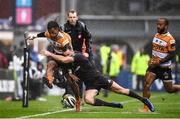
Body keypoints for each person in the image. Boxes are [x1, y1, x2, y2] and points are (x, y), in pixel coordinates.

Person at [40, 49, 155, 112]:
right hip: (90, 84)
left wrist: (50, 54)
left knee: (121, 90)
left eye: (67, 51)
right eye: (64, 52)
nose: (65, 53)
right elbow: (65, 66)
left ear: (71, 51)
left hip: (99, 78)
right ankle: (113, 105)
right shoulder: (69, 64)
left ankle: (144, 100)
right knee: (89, 100)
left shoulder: (78, 56)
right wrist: (70, 74)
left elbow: (64, 60)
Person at [26, 21, 81, 112]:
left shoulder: (64, 40)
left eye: (54, 33)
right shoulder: (49, 34)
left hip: (67, 59)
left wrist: (71, 72)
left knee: (71, 81)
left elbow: (70, 56)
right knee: (50, 64)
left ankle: (78, 100)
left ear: (58, 29)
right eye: (50, 33)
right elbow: (43, 34)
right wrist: (34, 36)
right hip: (56, 57)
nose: (52, 35)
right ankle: (49, 80)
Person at [142, 18, 180, 112]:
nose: (158, 26)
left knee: (170, 89)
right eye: (157, 24)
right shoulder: (156, 35)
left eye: (160, 25)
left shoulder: (170, 40)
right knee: (146, 85)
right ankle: (146, 108)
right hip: (154, 67)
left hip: (164, 68)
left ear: (166, 26)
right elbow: (155, 49)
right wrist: (152, 59)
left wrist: (160, 61)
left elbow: (172, 55)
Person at [63, 9, 93, 99]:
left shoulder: (82, 26)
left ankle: (78, 99)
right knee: (69, 77)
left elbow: (88, 38)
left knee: (79, 77)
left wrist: (87, 52)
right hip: (68, 55)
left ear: (77, 17)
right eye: (70, 17)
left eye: (74, 17)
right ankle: (68, 98)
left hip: (79, 56)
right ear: (68, 18)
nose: (72, 19)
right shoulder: (63, 28)